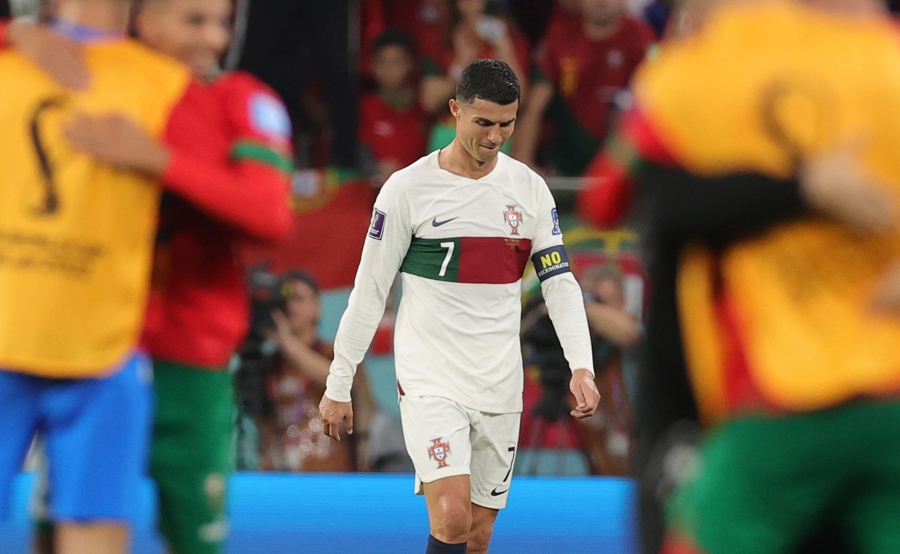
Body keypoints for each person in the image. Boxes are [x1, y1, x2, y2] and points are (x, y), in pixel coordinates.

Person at [583, 0, 900, 552]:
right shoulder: (887, 60)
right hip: (872, 398)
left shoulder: (701, 74)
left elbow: (609, 196)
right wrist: (804, 189)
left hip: (775, 398)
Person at [4, 1, 294, 553]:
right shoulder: (91, 78)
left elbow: (269, 216)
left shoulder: (240, 100)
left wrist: (156, 160)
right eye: (194, 20)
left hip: (187, 358)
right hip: (86, 343)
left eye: (222, 22)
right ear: (144, 21)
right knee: (60, 526)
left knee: (194, 534)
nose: (213, 38)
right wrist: (21, 32)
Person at [319, 58, 600, 554]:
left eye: (507, 123)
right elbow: (369, 289)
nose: (496, 137)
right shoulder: (407, 190)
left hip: (499, 380)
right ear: (455, 110)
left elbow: (559, 283)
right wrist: (339, 382)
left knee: (477, 532)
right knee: (450, 517)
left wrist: (582, 365)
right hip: (431, 378)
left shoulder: (529, 190)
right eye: (484, 123)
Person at [513, 0, 655, 176]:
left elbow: (655, 105)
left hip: (621, 167)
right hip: (566, 166)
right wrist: (523, 162)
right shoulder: (560, 38)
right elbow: (534, 107)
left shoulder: (641, 37)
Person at [263, 270, 376, 472]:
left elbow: (336, 379)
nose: (290, 306)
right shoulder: (270, 364)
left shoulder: (338, 356)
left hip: (333, 478)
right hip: (282, 477)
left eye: (298, 298)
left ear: (317, 307)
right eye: (284, 300)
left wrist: (286, 341)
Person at [359, 27, 429, 191]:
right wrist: (375, 168)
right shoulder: (365, 107)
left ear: (410, 63)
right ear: (372, 66)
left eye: (397, 62)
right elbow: (359, 156)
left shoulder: (425, 105)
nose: (389, 70)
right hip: (379, 193)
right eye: (382, 62)